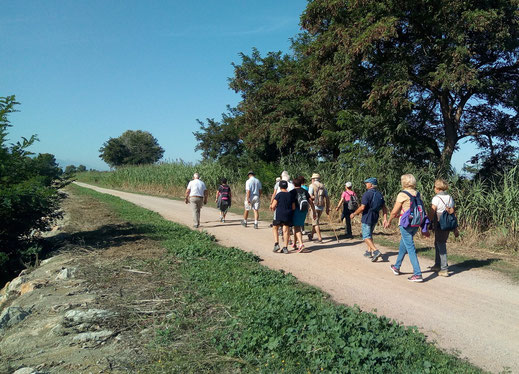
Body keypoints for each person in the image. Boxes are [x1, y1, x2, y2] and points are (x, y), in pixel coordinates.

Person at [384, 174, 428, 282]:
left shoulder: (403, 194)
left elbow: (394, 211)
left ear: (404, 182)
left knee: (410, 248)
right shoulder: (417, 193)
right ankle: (396, 267)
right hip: (416, 223)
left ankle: (417, 274)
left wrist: (389, 221)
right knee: (403, 244)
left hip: (406, 224)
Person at [350, 177, 388, 262]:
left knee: (366, 236)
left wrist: (354, 213)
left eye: (367, 183)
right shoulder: (379, 194)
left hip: (367, 216)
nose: (366, 184)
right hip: (375, 216)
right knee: (369, 234)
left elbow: (362, 207)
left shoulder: (367, 194)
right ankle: (369, 251)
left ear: (371, 184)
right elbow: (384, 207)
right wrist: (385, 218)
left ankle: (375, 251)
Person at [429, 179, 459, 277]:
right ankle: (437, 264)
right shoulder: (450, 198)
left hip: (439, 222)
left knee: (441, 244)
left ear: (438, 188)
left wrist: (427, 221)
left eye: (434, 187)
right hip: (448, 223)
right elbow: (453, 212)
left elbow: (432, 211)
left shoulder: (436, 198)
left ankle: (444, 268)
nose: (434, 188)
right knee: (438, 242)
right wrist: (455, 228)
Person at [290, 176, 316, 253]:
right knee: (297, 226)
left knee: (297, 227)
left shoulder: (292, 192)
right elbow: (310, 201)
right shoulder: (305, 191)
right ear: (301, 183)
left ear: (294, 184)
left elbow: (291, 203)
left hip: (296, 210)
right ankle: (294, 244)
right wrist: (314, 211)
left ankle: (301, 244)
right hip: (304, 210)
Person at [270, 180, 295, 254]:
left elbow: (273, 205)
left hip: (279, 214)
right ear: (287, 186)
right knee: (286, 230)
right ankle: (285, 247)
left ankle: (276, 244)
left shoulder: (279, 194)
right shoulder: (291, 195)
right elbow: (293, 207)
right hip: (288, 214)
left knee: (275, 227)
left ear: (280, 187)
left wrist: (272, 206)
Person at [308, 173, 330, 243]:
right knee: (315, 221)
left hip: (314, 206)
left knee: (315, 223)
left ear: (313, 179)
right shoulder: (323, 186)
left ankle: (320, 238)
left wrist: (309, 205)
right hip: (321, 206)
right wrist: (327, 207)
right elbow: (327, 197)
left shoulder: (312, 186)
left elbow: (309, 196)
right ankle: (311, 235)